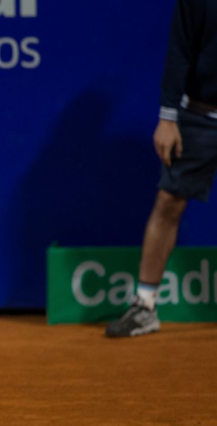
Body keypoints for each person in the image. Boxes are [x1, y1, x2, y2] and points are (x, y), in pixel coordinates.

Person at [107, 0, 217, 337]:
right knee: (168, 201)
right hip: (200, 115)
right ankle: (145, 305)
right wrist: (168, 118)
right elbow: (180, 49)